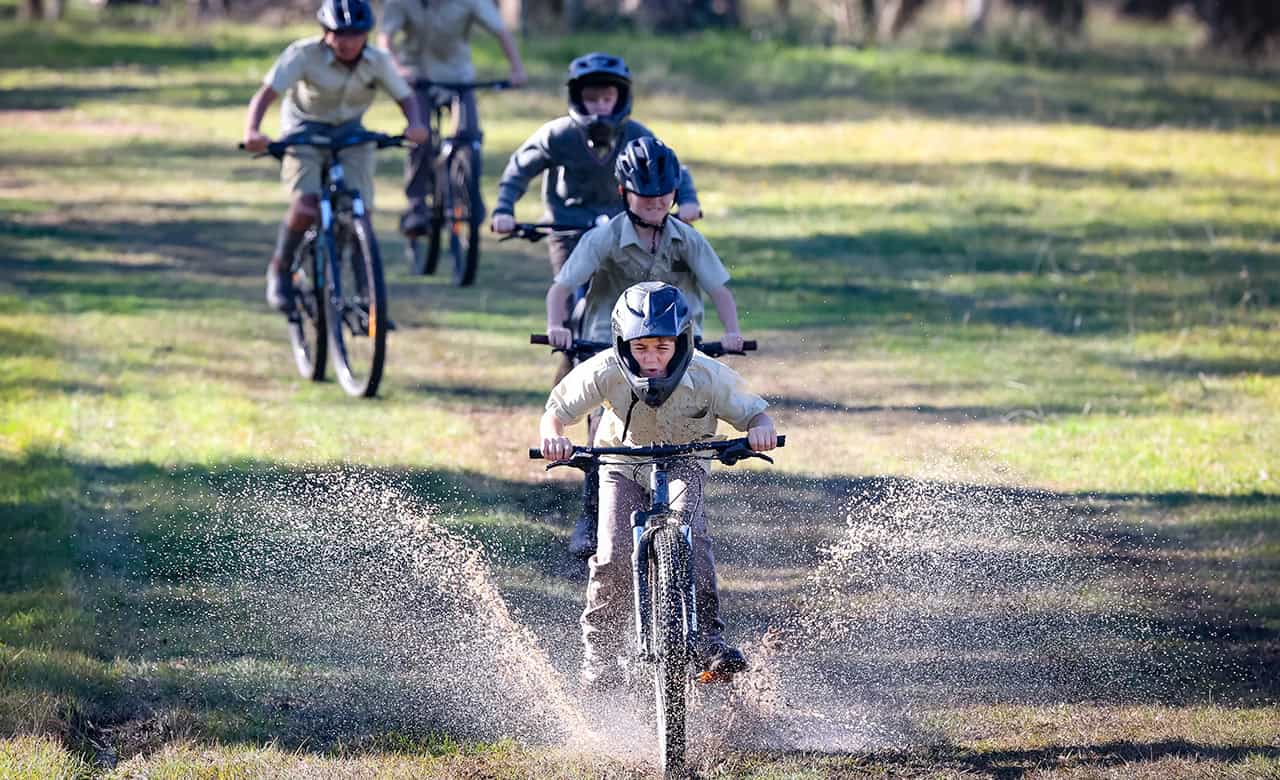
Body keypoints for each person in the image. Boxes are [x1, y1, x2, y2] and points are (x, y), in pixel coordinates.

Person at [538, 282, 778, 689]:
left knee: (692, 536)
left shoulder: (708, 374)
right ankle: (601, 658)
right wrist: (554, 437)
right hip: (622, 463)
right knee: (612, 558)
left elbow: (757, 415)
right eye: (641, 348)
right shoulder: (605, 369)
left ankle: (709, 642)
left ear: (682, 342)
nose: (651, 359)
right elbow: (555, 412)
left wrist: (761, 432)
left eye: (662, 348)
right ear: (622, 343)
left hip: (684, 461)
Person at [543, 136, 746, 560]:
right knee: (605, 427)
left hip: (676, 346)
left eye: (663, 194)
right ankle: (594, 511)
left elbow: (719, 288)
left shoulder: (686, 239)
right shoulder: (605, 238)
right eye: (645, 194)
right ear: (624, 193)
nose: (655, 202)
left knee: (685, 421)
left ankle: (680, 519)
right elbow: (562, 287)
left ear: (675, 193)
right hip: (610, 343)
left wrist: (732, 331)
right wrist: (556, 326)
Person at [243, 0, 427, 311]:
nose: (347, 42)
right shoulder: (302, 54)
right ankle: (280, 269)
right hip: (305, 130)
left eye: (355, 35)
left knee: (360, 213)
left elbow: (405, 97)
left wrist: (416, 124)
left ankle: (368, 301)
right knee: (305, 206)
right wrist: (253, 131)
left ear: (366, 35)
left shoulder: (378, 60)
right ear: (325, 33)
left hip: (351, 132)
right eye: (339, 34)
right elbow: (266, 95)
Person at [490, 51, 702, 282]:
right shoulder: (558, 135)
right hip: (567, 227)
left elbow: (670, 169)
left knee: (636, 296)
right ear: (577, 98)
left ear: (620, 99)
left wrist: (688, 201)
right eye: (591, 99)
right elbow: (519, 169)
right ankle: (566, 318)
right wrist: (504, 210)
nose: (599, 106)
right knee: (567, 293)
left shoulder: (636, 135)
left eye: (607, 99)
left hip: (622, 228)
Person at [377, 0, 528, 236]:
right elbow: (385, 39)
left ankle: (470, 193)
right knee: (421, 135)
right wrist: (397, 69)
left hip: (458, 76)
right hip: (417, 77)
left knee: (469, 136)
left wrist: (517, 68)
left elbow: (500, 30)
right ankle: (416, 204)